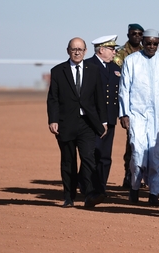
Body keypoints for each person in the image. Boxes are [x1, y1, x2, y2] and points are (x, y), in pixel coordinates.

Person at [46, 37, 108, 208]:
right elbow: (53, 99)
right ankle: (68, 196)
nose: (77, 52)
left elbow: (99, 98)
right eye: (74, 49)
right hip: (66, 123)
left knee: (88, 158)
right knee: (68, 161)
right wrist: (53, 120)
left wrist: (102, 121)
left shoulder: (93, 70)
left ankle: (89, 194)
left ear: (86, 51)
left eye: (80, 49)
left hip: (87, 123)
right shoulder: (58, 71)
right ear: (68, 51)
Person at [119, 29, 159, 206]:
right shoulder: (131, 61)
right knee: (137, 153)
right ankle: (134, 188)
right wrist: (124, 114)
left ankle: (154, 193)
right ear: (143, 42)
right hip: (138, 115)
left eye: (155, 43)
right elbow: (124, 89)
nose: (151, 46)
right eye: (148, 43)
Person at [85, 35, 121, 195]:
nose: (115, 52)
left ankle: (100, 187)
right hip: (92, 120)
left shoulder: (115, 68)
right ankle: (88, 187)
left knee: (105, 157)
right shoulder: (88, 66)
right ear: (101, 50)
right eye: (112, 49)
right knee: (92, 155)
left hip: (111, 119)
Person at [116, 23, 144, 189]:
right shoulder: (120, 54)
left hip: (143, 103)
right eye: (134, 33)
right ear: (128, 34)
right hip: (129, 103)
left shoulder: (146, 52)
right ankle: (129, 174)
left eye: (140, 34)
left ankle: (141, 175)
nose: (137, 36)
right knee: (132, 142)